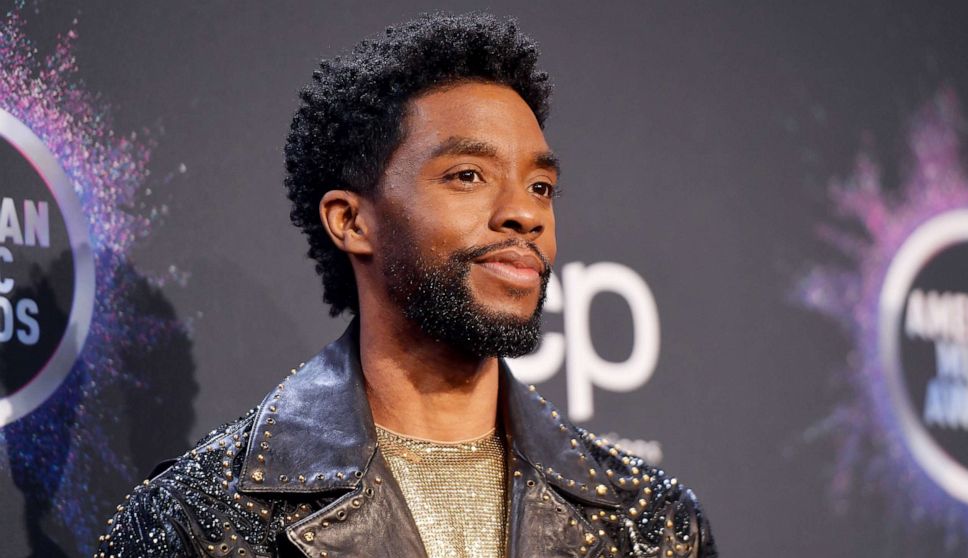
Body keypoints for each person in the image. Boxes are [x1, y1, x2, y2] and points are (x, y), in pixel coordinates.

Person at [96, 12, 717, 558]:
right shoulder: (201, 525)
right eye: (469, 174)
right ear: (351, 221)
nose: (525, 214)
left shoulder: (653, 526)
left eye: (541, 187)